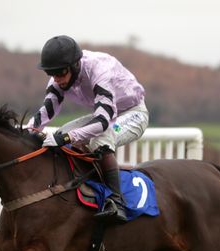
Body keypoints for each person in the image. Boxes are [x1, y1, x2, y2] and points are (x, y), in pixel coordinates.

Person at [26, 35, 150, 224]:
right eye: (52, 74)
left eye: (60, 73)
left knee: (98, 139)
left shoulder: (100, 70)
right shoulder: (58, 79)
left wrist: (67, 138)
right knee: (59, 136)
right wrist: (27, 130)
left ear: (75, 65)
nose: (57, 79)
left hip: (133, 113)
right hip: (106, 114)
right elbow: (47, 111)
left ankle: (117, 201)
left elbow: (102, 122)